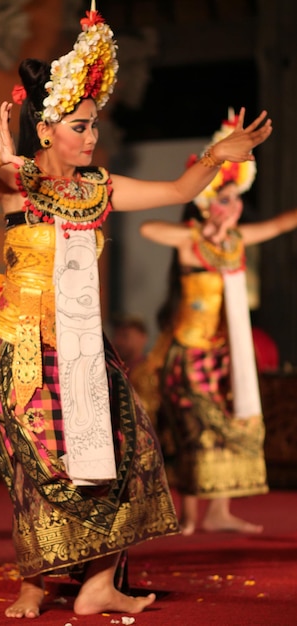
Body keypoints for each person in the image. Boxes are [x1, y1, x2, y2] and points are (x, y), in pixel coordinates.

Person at [0, 2, 272, 617]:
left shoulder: (101, 188)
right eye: (79, 126)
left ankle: (97, 582)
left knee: (118, 449)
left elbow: (176, 192)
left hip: (83, 347)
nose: (91, 137)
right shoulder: (21, 183)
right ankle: (35, 583)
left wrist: (217, 155)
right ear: (47, 130)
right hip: (23, 346)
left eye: (94, 126)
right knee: (39, 461)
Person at [139, 110, 297, 537]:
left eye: (237, 199)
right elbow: (149, 228)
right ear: (209, 203)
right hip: (188, 354)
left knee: (222, 433)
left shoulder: (237, 241)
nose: (234, 207)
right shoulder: (193, 243)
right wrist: (202, 230)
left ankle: (222, 513)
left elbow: (282, 223)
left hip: (222, 354)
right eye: (224, 199)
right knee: (192, 432)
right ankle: (191, 517)